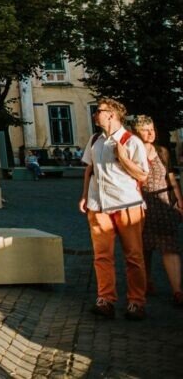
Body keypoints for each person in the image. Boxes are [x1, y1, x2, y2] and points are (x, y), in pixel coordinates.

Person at [80, 97, 150, 321]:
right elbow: (89, 170)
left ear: (111, 114)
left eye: (98, 111)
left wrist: (123, 158)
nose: (95, 114)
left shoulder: (132, 141)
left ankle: (136, 301)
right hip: (98, 205)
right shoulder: (95, 140)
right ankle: (106, 299)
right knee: (102, 256)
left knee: (134, 256)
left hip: (127, 205)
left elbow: (142, 175)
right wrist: (84, 196)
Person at [134, 116, 183, 307]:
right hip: (141, 204)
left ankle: (177, 290)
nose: (150, 133)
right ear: (137, 132)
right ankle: (146, 282)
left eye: (152, 129)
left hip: (163, 204)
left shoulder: (162, 151)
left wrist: (179, 201)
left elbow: (171, 178)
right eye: (145, 130)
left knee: (170, 246)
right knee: (143, 247)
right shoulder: (132, 151)